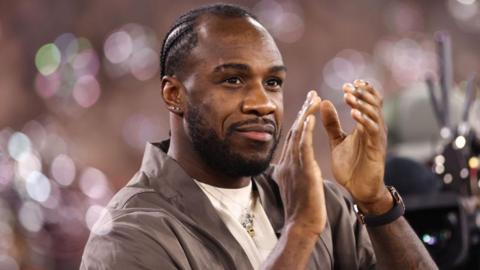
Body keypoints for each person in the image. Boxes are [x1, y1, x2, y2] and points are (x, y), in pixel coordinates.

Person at [80, 3, 437, 270]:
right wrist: (299, 233)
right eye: (232, 80)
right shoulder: (128, 236)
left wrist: (375, 202)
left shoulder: (328, 206)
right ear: (174, 95)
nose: (262, 103)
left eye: (273, 83)